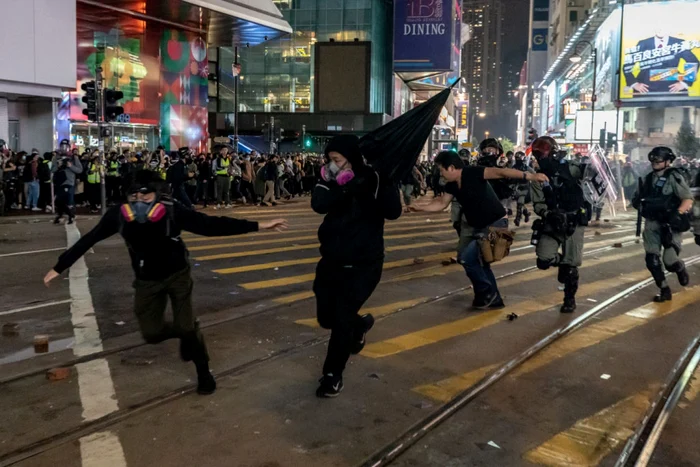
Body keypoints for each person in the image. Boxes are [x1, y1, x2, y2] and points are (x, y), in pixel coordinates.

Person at [43, 170, 288, 395]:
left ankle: (204, 372)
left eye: (146, 194)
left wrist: (259, 226)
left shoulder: (172, 210)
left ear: (157, 195)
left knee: (187, 328)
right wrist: (59, 266)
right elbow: (89, 239)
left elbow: (210, 225)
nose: (139, 201)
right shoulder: (118, 216)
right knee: (151, 333)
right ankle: (185, 332)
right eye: (133, 195)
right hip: (146, 280)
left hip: (177, 275)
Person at [311, 135, 401, 398]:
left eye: (337, 159)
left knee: (340, 320)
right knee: (326, 317)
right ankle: (359, 325)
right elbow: (319, 204)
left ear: (352, 158)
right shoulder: (328, 177)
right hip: (330, 262)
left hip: (364, 264)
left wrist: (384, 180)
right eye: (330, 159)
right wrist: (347, 187)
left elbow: (393, 211)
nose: (332, 164)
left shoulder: (374, 178)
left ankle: (332, 375)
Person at [411, 150, 548, 309]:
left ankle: (485, 292)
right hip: (475, 226)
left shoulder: (473, 172)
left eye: (441, 170)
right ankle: (493, 299)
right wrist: (419, 208)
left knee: (467, 259)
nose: (440, 173)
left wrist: (530, 176)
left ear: (451, 167)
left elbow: (500, 172)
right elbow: (441, 204)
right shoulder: (452, 185)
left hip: (495, 224)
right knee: (478, 262)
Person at [530, 137, 589, 313]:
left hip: (574, 221)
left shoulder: (570, 167)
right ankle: (562, 263)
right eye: (537, 152)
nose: (541, 154)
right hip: (553, 222)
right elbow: (538, 203)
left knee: (571, 267)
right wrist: (548, 214)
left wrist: (589, 169)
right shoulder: (537, 177)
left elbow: (590, 181)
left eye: (544, 150)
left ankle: (569, 299)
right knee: (543, 259)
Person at [633, 147, 693, 302]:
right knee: (652, 260)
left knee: (670, 262)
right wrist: (637, 202)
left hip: (670, 225)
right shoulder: (647, 179)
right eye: (653, 159)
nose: (655, 162)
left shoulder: (674, 176)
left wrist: (678, 213)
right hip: (652, 224)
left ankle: (679, 268)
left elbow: (687, 198)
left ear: (667, 161)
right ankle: (664, 289)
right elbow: (637, 198)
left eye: (658, 159)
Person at [52, 140, 83, 224]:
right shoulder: (56, 157)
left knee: (69, 200)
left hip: (69, 182)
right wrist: (58, 166)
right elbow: (53, 169)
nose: (64, 148)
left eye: (66, 146)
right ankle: (61, 215)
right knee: (59, 200)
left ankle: (70, 215)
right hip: (59, 181)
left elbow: (79, 170)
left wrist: (70, 166)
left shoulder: (73, 157)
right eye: (62, 146)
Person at [512, 151, 533, 226]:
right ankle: (526, 213)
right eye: (517, 157)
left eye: (519, 157)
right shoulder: (514, 167)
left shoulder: (526, 167)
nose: (518, 158)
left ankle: (517, 219)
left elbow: (534, 174)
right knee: (520, 203)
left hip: (524, 187)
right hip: (517, 187)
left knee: (520, 203)